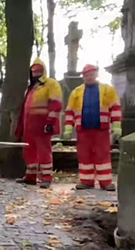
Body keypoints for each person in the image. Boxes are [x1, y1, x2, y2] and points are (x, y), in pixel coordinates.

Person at [64, 64, 122, 191]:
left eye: (91, 74)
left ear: (96, 74)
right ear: (83, 77)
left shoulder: (107, 90)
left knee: (103, 154)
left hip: (101, 129)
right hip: (83, 130)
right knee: (84, 155)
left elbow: (115, 108)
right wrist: (68, 128)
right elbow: (70, 111)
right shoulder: (76, 92)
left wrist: (116, 126)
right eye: (86, 75)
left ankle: (105, 182)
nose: (89, 77)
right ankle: (86, 181)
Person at [14, 58, 63, 189]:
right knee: (29, 151)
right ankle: (30, 176)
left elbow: (56, 104)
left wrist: (50, 122)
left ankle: (46, 178)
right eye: (34, 71)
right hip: (29, 126)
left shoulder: (51, 84)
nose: (36, 73)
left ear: (44, 71)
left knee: (43, 151)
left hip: (42, 125)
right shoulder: (30, 88)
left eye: (38, 71)